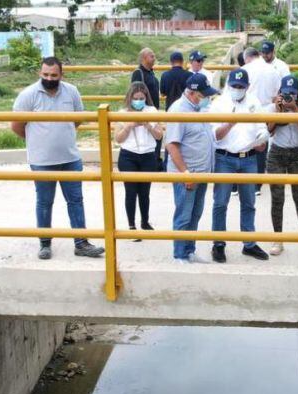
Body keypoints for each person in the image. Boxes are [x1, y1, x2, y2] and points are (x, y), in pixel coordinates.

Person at [12, 57, 104, 260]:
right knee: (45, 202)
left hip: (70, 158)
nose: (49, 78)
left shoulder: (71, 91)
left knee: (76, 201)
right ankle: (45, 243)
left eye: (54, 75)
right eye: (45, 74)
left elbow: (77, 119)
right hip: (42, 162)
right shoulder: (28, 95)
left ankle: (81, 243)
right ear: (39, 73)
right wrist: (39, 141)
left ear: (61, 74)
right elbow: (17, 126)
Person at [209, 68, 270, 263]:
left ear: (247, 87)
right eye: (234, 86)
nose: (237, 89)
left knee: (249, 202)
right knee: (220, 202)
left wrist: (261, 141)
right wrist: (230, 123)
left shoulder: (254, 102)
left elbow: (261, 127)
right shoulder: (218, 104)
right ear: (228, 85)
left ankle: (249, 243)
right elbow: (214, 136)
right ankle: (218, 243)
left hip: (249, 157)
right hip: (224, 158)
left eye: (241, 86)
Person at [165, 73, 218, 263]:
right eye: (204, 95)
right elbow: (172, 145)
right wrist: (185, 173)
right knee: (184, 215)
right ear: (192, 93)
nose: (207, 99)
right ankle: (179, 254)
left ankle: (189, 250)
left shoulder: (197, 109)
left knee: (195, 214)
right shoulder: (178, 110)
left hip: (201, 173)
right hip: (187, 174)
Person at [264, 75, 298, 256]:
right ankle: (278, 239)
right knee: (277, 198)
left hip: (297, 153)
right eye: (286, 93)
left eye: (292, 94)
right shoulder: (272, 107)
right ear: (280, 93)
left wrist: (295, 109)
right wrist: (279, 111)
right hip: (277, 153)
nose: (289, 97)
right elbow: (269, 130)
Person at [115, 81, 165, 239]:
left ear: (146, 98)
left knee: (145, 192)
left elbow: (159, 136)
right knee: (130, 192)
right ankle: (131, 226)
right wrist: (129, 126)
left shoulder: (152, 111)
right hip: (128, 155)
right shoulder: (122, 113)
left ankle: (145, 221)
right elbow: (118, 139)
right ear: (130, 98)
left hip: (148, 155)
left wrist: (147, 124)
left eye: (141, 98)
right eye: (135, 98)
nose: (138, 101)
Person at [240, 47, 275, 195]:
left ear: (247, 58)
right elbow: (276, 94)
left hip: (247, 112)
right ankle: (257, 186)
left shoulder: (244, 70)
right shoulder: (272, 70)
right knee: (261, 147)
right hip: (266, 111)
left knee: (244, 146)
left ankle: (239, 183)